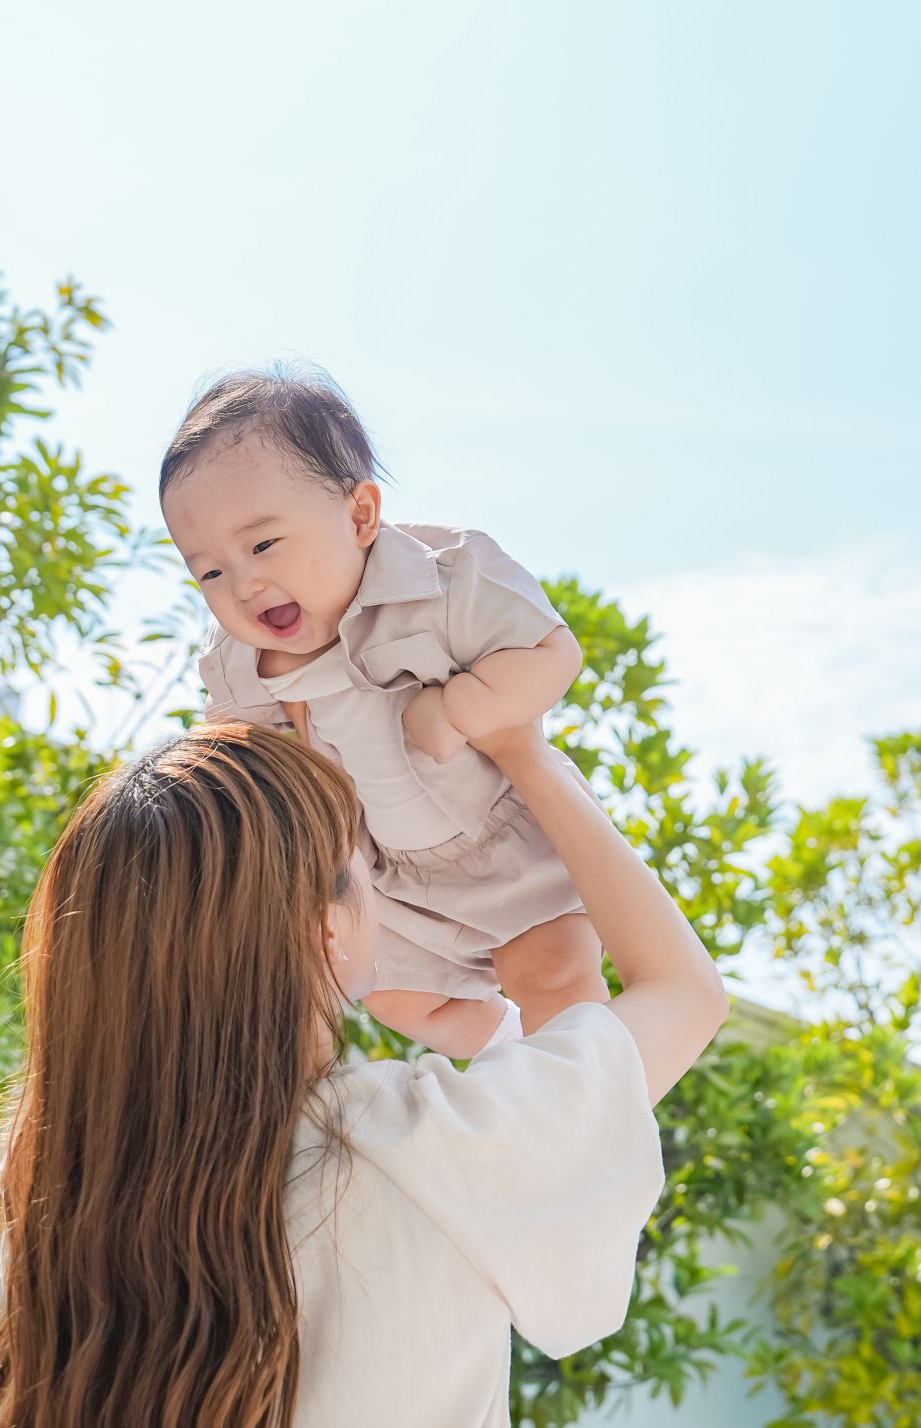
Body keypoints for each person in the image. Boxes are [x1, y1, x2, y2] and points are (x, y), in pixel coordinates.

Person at [0, 714, 730, 1428]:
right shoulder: (423, 1151)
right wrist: (522, 752)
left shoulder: (70, 1200)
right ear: (325, 931)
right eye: (369, 867)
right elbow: (682, 992)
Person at [162, 367, 605, 1061]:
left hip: (502, 841)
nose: (243, 584)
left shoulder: (444, 579)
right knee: (395, 997)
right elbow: (239, 748)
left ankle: (590, 1098)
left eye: (263, 545)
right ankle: (504, 1052)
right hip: (387, 881)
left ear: (361, 516)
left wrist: (464, 707)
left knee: (553, 971)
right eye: (210, 573)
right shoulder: (242, 663)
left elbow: (552, 650)